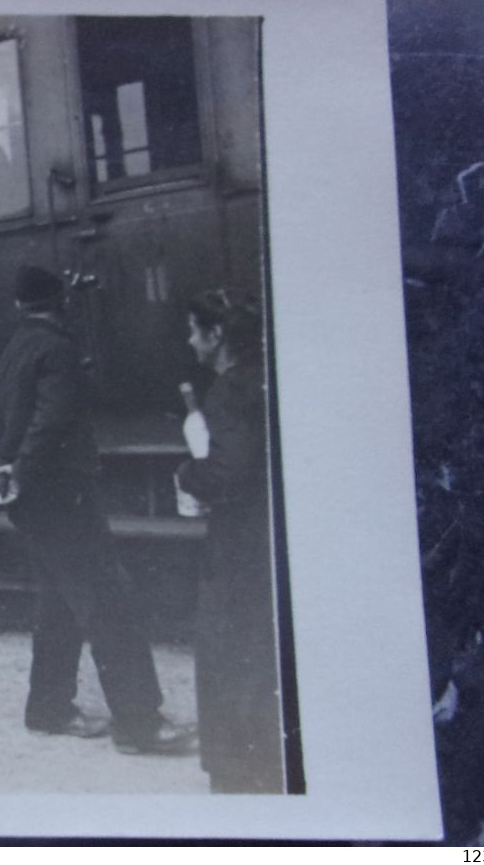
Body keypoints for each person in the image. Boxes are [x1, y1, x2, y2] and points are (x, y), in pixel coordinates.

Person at [0, 265, 194, 755]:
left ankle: (48, 709)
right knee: (107, 599)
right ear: (62, 303)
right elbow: (51, 421)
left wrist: (0, 466)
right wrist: (25, 468)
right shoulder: (58, 348)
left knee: (59, 601)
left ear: (18, 306)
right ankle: (140, 725)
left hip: (31, 499)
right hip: (63, 494)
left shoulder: (14, 349)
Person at [175, 289, 286, 793]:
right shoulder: (264, 376)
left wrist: (188, 475)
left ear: (217, 336)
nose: (190, 340)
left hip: (239, 545)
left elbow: (227, 474)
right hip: (267, 537)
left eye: (196, 330)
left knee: (228, 649)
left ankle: (237, 772)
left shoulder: (228, 391)